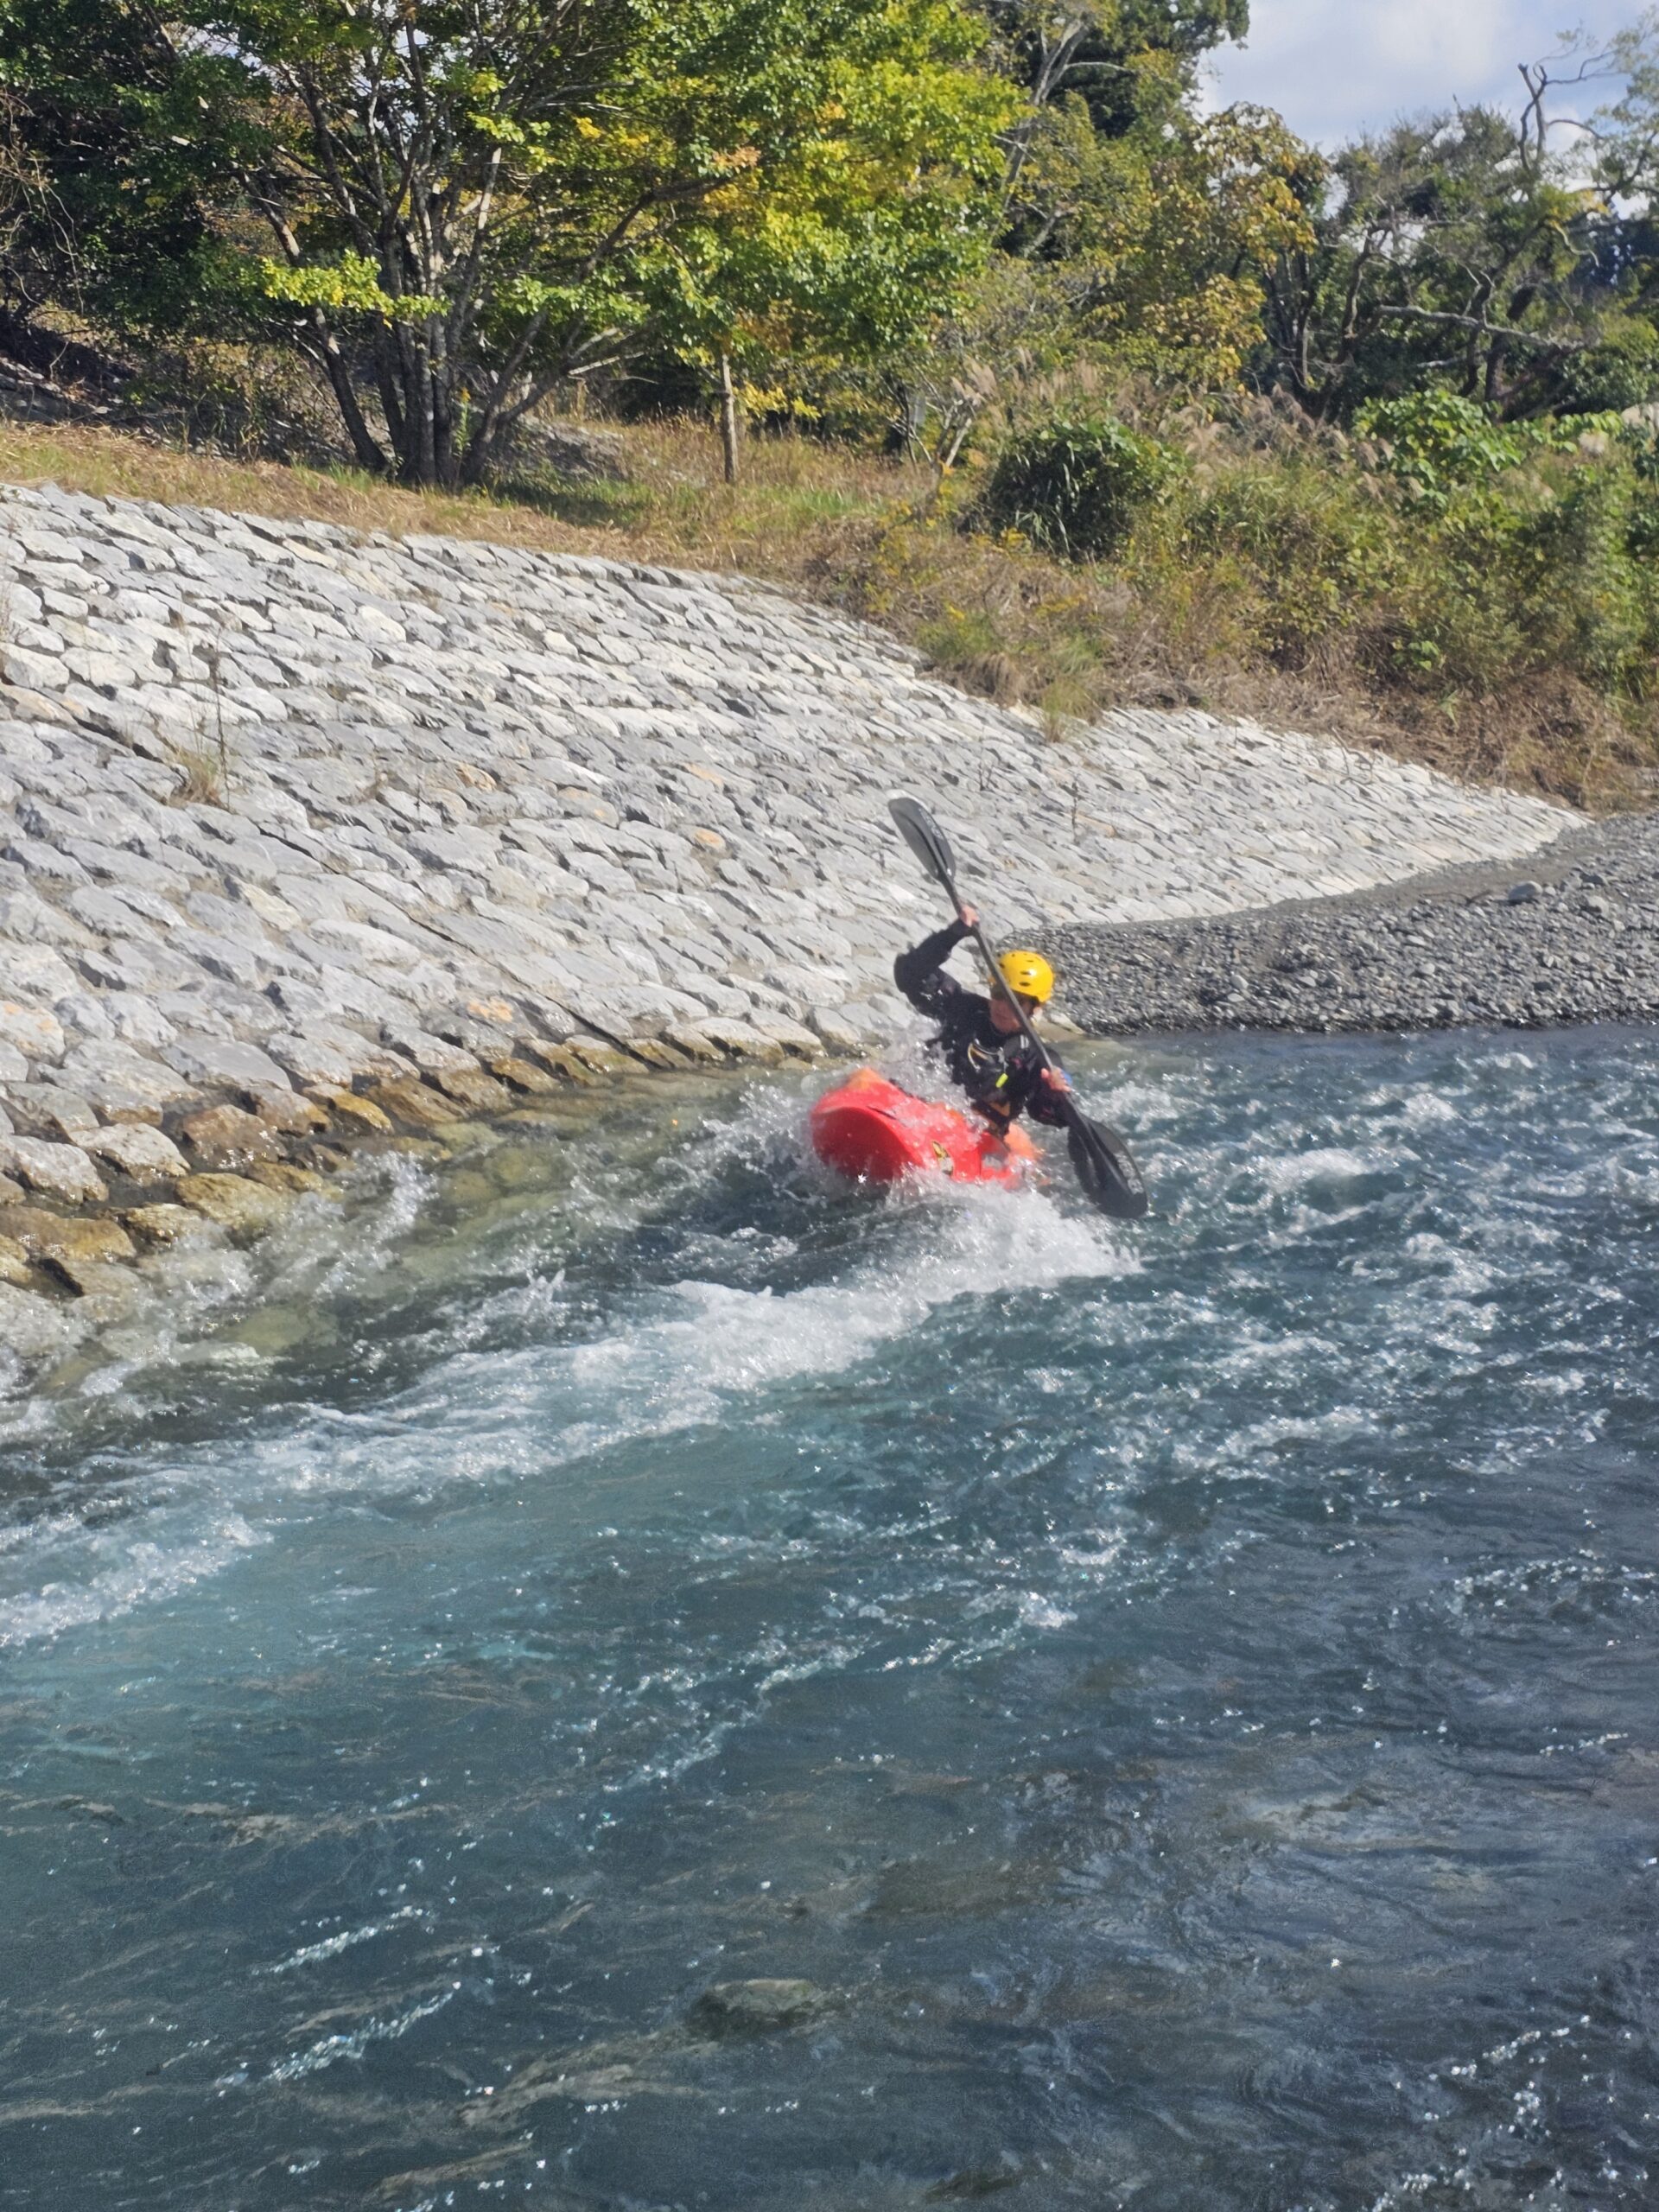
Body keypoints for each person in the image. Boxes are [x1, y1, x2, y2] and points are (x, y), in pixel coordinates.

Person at [893, 906, 1072, 1136]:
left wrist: (1054, 1093)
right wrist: (951, 935)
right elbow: (909, 974)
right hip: (921, 1103)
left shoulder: (1037, 1058)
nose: (1002, 1006)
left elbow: (1051, 1115)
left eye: (1017, 1000)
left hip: (973, 1134)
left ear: (1035, 1008)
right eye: (999, 994)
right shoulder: (966, 1008)